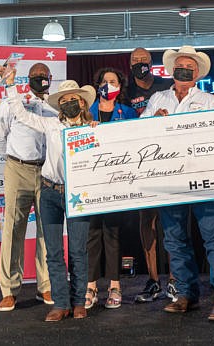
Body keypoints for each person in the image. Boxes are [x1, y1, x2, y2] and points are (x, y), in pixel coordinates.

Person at [141, 46, 214, 321]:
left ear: (196, 74)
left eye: (189, 68)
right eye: (180, 66)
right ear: (172, 71)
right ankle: (186, 294)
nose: (184, 71)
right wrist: (153, 121)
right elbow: (141, 133)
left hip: (203, 176)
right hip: (169, 176)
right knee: (174, 238)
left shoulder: (208, 100)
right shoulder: (158, 98)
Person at [4, 68, 97, 322]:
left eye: (73, 99)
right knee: (53, 252)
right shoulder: (51, 123)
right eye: (63, 100)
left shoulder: (93, 129)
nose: (68, 103)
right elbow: (21, 114)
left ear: (82, 102)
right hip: (50, 192)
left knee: (78, 250)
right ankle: (61, 302)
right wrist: (11, 85)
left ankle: (79, 302)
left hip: (78, 194)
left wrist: (98, 133)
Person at [0, 63, 54, 312]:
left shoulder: (55, 106)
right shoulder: (12, 102)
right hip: (17, 168)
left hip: (46, 172)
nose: (41, 79)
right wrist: (14, 159)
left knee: (47, 229)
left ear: (51, 79)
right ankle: (9, 290)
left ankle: (46, 285)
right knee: (13, 229)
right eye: (36, 76)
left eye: (45, 76)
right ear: (28, 79)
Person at [127, 47, 177, 303]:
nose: (140, 64)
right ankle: (154, 280)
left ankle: (175, 280)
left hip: (167, 159)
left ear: (150, 62)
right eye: (135, 61)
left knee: (171, 222)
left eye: (144, 60)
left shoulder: (164, 87)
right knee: (147, 222)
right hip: (137, 162)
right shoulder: (125, 91)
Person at [86, 68, 137, 310]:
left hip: (117, 181)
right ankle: (91, 285)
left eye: (113, 81)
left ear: (120, 85)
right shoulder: (86, 112)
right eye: (104, 81)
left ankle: (115, 285)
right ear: (97, 85)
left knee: (113, 232)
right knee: (92, 232)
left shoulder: (127, 113)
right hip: (89, 182)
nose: (108, 85)